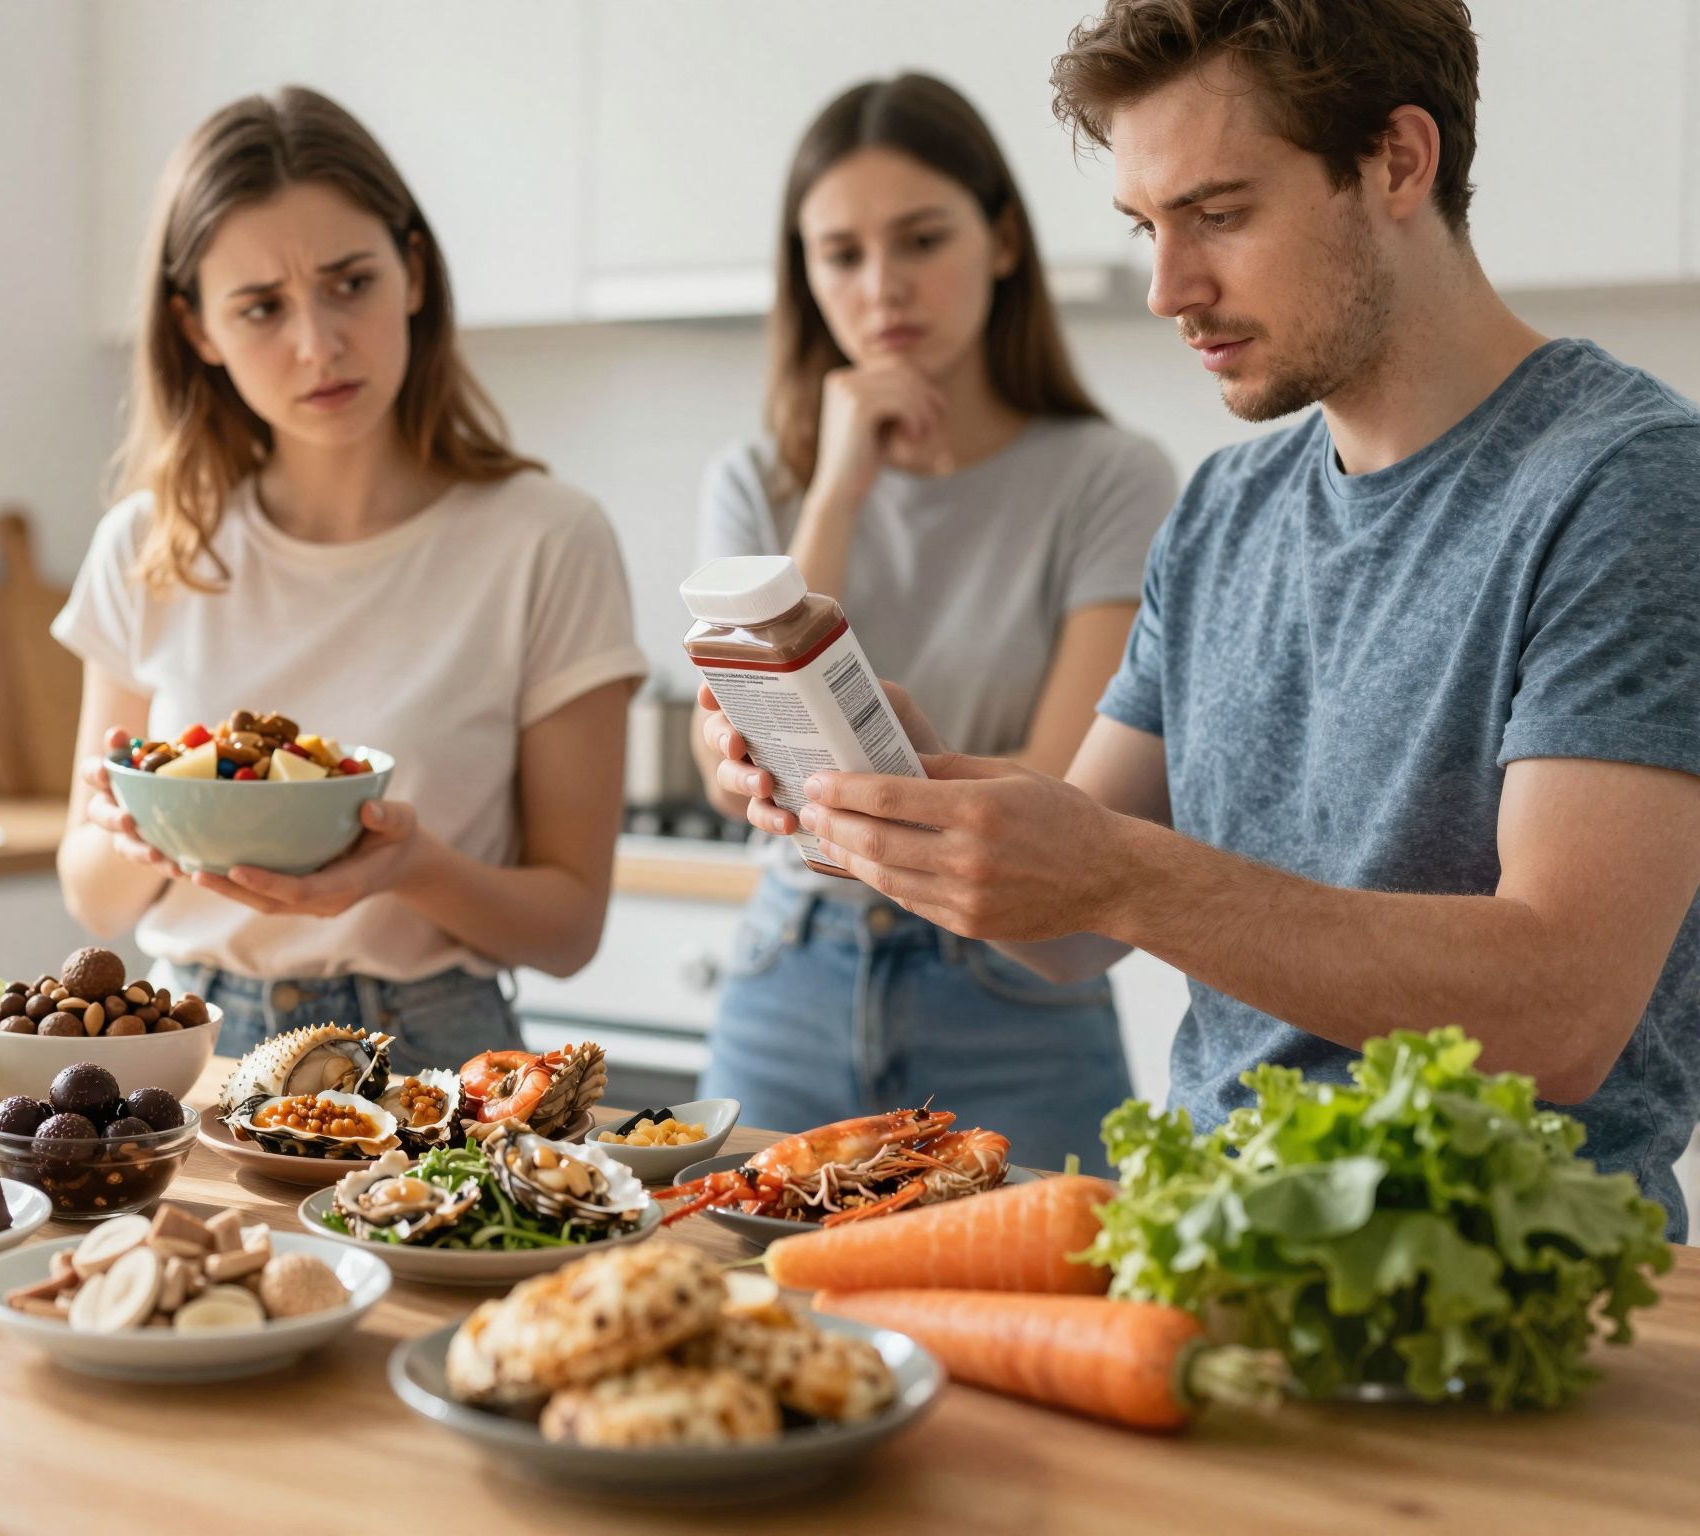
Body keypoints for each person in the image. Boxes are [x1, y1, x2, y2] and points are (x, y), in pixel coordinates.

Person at [698, 0, 1700, 1238]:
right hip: (1203, 1255)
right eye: (1143, 227)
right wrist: (890, 789)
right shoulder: (1226, 506)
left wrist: (1119, 877)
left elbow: (1559, 1012)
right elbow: (1062, 938)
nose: (1169, 287)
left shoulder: (1631, 486)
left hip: (1509, 1287)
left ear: (1396, 160)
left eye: (1218, 215)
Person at [53, 87, 647, 1068]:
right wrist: (136, 833)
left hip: (435, 1048)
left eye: (349, 284)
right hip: (185, 1047)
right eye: (260, 308)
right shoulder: (148, 545)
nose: (317, 344)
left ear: (412, 272)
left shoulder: (547, 540)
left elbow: (568, 928)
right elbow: (91, 897)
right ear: (197, 328)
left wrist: (410, 868)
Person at [689, 73, 1176, 1169]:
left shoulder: (1107, 478)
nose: (881, 290)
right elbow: (721, 744)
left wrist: (840, 789)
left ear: (1002, 240)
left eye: (920, 240)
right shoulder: (759, 481)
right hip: (789, 975)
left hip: (1014, 985)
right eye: (841, 255)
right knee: (730, 1305)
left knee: (1039, 1320)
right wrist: (835, 491)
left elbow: (1064, 783)